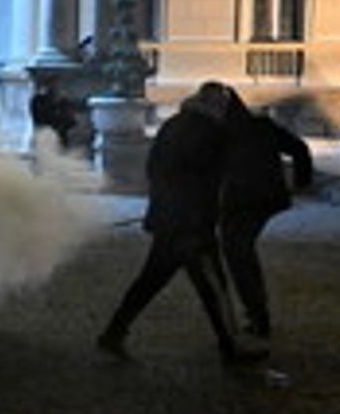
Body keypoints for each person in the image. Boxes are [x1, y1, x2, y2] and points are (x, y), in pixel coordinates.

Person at [97, 81, 266, 366]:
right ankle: (230, 348)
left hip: (169, 217)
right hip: (192, 224)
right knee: (214, 286)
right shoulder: (211, 132)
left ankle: (113, 333)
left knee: (150, 282)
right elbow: (223, 172)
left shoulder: (173, 125)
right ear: (216, 106)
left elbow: (155, 168)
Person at [219, 92, 313, 338]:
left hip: (242, 201)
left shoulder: (219, 133)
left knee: (238, 253)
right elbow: (299, 149)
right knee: (240, 251)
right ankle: (256, 313)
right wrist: (303, 182)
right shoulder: (261, 125)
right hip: (266, 199)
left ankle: (258, 314)